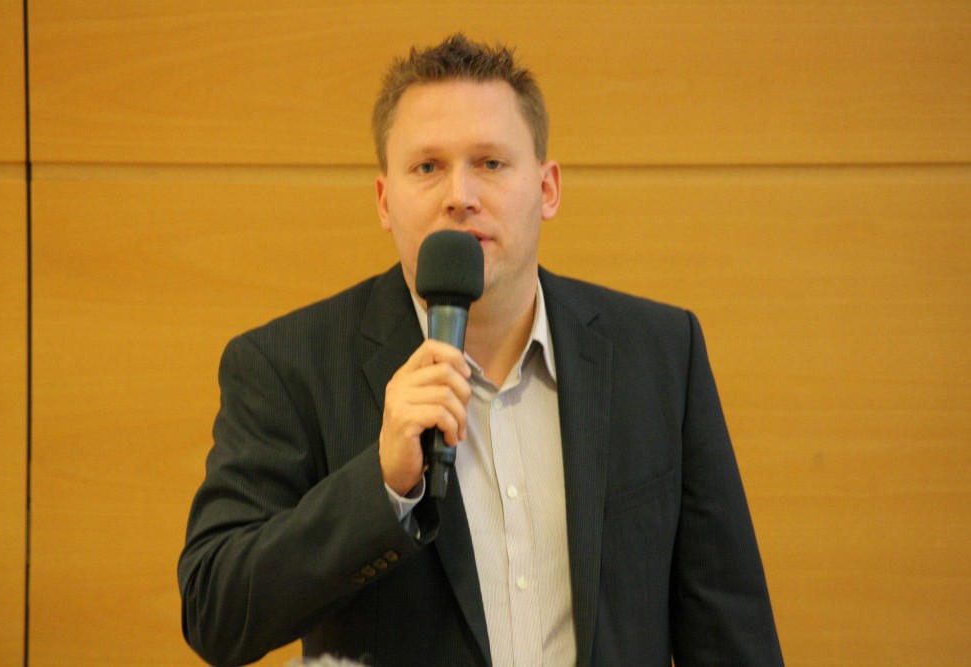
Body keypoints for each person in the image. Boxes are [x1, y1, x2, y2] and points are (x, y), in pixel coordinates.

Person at [179, 34, 783, 667]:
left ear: (547, 189)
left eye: (491, 163)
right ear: (385, 201)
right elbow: (215, 610)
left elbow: (729, 629)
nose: (459, 195)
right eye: (427, 167)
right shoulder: (287, 365)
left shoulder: (658, 355)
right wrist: (381, 486)